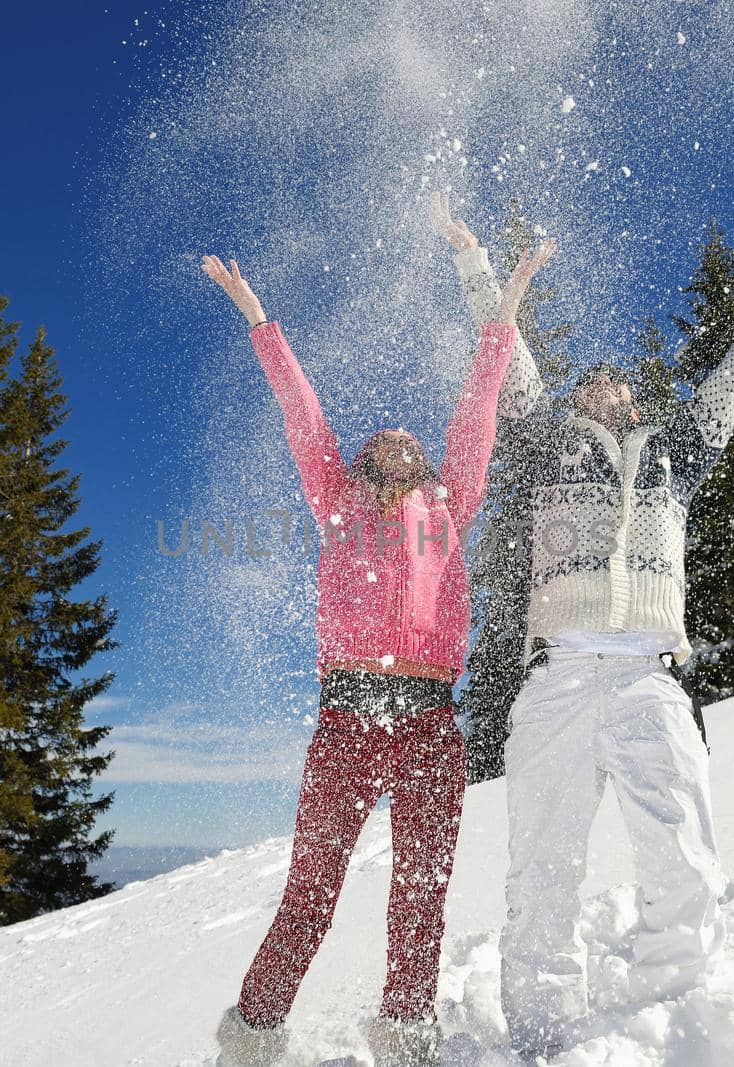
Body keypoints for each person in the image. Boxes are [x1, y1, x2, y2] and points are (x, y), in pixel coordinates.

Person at [435, 196, 734, 1057]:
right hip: (558, 679)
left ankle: (676, 1010)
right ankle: (540, 1034)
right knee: (543, 869)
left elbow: (731, 382)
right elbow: (507, 352)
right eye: (588, 380)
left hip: (651, 674)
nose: (599, 385)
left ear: (634, 397)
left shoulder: (675, 454)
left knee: (683, 850)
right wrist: (474, 261)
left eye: (613, 380)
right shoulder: (545, 441)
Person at [202, 233, 556, 1067]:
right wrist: (256, 315)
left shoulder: (450, 500)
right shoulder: (336, 499)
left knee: (421, 891)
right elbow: (302, 408)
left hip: (432, 719)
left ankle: (407, 1038)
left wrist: (509, 302)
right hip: (349, 719)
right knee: (313, 890)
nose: (399, 436)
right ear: (364, 460)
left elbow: (479, 402)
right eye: (384, 436)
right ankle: (251, 1036)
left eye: (408, 437)